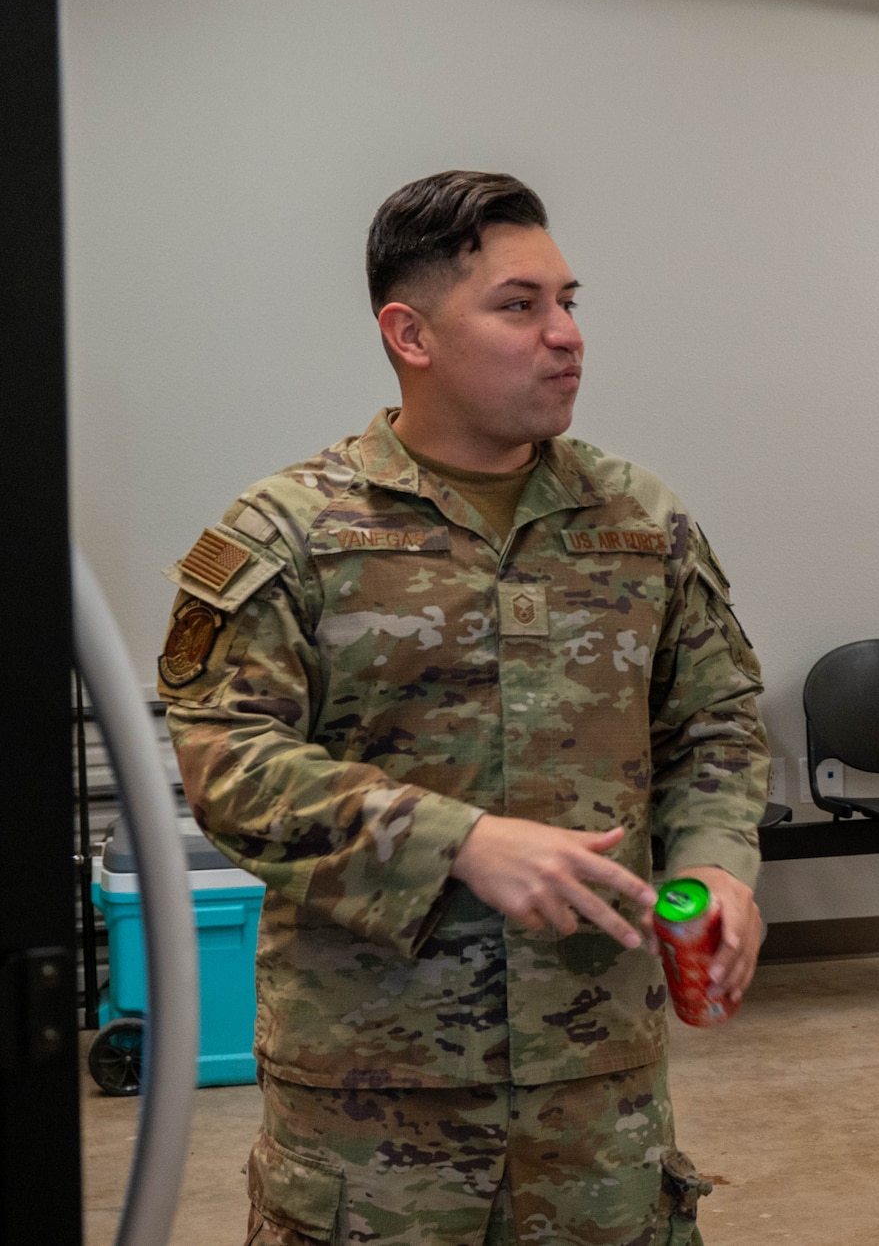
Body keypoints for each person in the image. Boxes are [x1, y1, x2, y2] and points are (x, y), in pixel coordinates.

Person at [157, 170, 769, 1246]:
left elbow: (714, 721)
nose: (566, 334)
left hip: (598, 1080)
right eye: (519, 305)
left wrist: (719, 865)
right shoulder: (292, 530)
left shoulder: (638, 518)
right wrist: (458, 841)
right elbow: (229, 761)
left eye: (568, 301)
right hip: (374, 1095)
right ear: (411, 334)